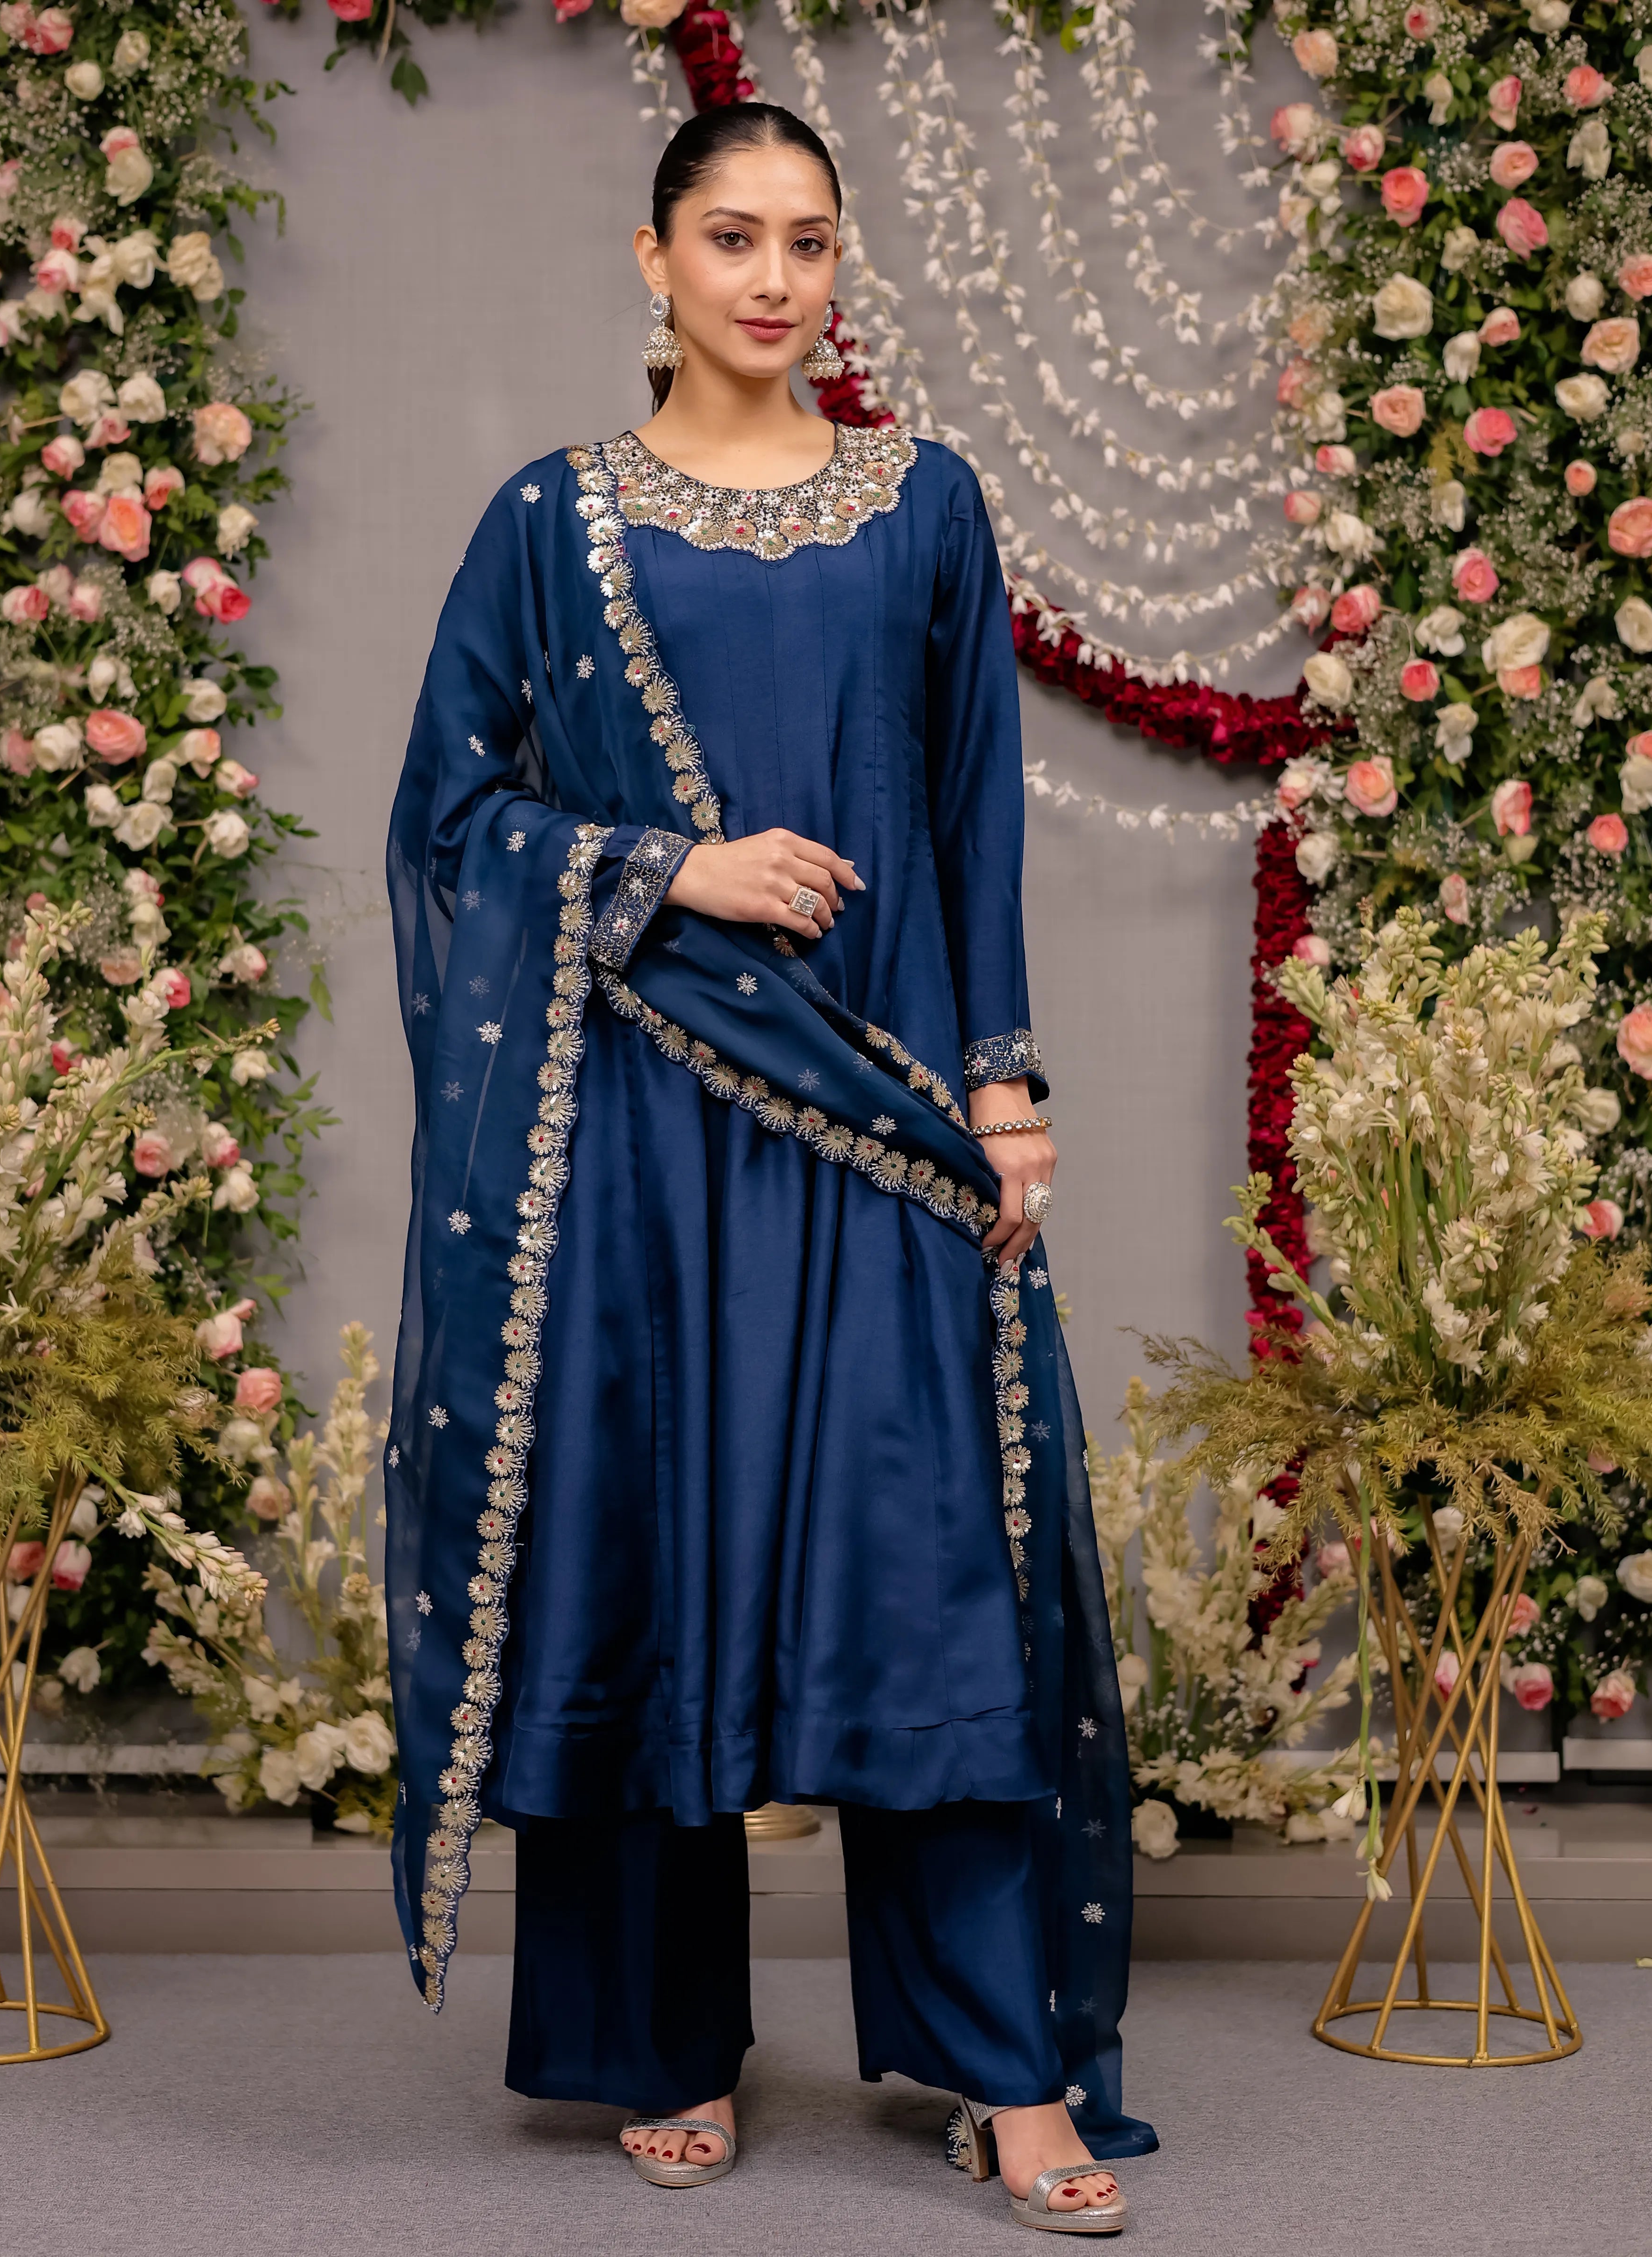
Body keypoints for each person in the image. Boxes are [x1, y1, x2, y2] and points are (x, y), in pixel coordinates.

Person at [385, 101, 1155, 2233]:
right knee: (654, 1548)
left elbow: (972, 818)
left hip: (882, 1116)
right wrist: (667, 868)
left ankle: (1005, 2071)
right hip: (643, 1125)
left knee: (929, 1581)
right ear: (652, 262)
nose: (772, 279)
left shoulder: (924, 508)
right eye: (729, 237)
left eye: (808, 242)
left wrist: (999, 1091)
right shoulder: (555, 525)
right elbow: (448, 825)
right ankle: (660, 2036)